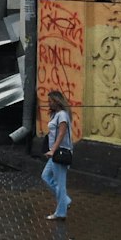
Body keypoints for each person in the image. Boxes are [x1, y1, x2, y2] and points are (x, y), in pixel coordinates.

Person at [41, 89, 73, 220]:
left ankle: (60, 213)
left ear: (57, 101)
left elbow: (61, 134)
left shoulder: (62, 116)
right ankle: (65, 201)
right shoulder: (55, 115)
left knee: (60, 184)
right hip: (54, 153)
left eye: (51, 101)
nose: (49, 104)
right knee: (45, 176)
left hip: (60, 153)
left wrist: (53, 150)